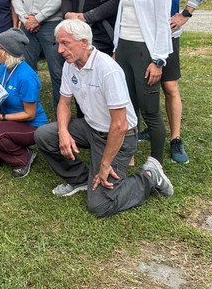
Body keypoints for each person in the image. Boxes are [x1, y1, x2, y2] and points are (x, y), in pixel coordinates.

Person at [34, 19, 174, 218]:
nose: (59, 50)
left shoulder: (107, 69)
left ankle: (149, 176)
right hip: (91, 127)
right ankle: (80, 179)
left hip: (119, 136)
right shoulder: (70, 65)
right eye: (58, 44)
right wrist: (64, 132)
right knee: (44, 135)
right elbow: (64, 103)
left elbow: (120, 125)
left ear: (84, 42)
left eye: (65, 43)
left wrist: (105, 164)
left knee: (100, 205)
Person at [135, 0, 209, 164]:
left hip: (166, 35)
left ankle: (176, 138)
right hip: (140, 36)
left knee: (169, 86)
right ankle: (149, 127)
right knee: (144, 85)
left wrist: (185, 14)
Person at [113, 0, 173, 164]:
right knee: (128, 107)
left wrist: (158, 60)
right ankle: (128, 154)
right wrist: (117, 49)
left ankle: (156, 163)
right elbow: (121, 15)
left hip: (144, 52)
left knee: (150, 111)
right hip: (125, 49)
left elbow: (161, 24)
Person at [0, 28, 48, 178]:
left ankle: (23, 157)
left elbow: (30, 114)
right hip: (11, 121)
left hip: (32, 125)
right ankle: (9, 142)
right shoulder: (3, 67)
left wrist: (0, 118)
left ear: (10, 52)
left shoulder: (27, 77)